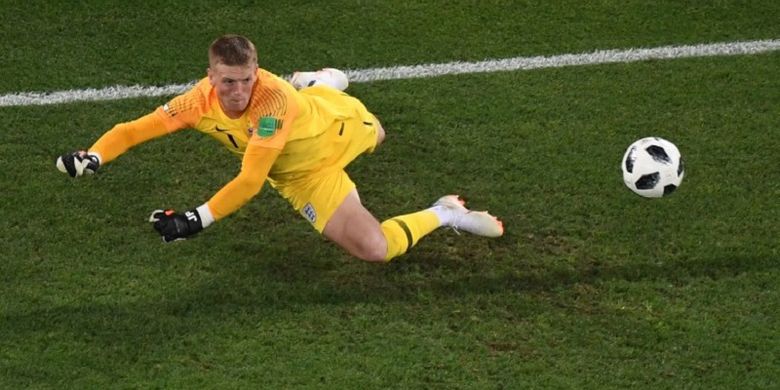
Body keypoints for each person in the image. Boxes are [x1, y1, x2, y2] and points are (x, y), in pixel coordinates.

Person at [56, 34, 503, 263]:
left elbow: (251, 180)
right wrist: (94, 156)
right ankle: (446, 212)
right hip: (305, 177)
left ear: (257, 71)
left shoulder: (271, 103)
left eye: (246, 79)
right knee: (374, 250)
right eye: (228, 81)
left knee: (380, 134)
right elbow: (134, 129)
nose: (238, 90)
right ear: (211, 76)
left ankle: (321, 83)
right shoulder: (196, 101)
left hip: (336, 129)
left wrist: (196, 220)